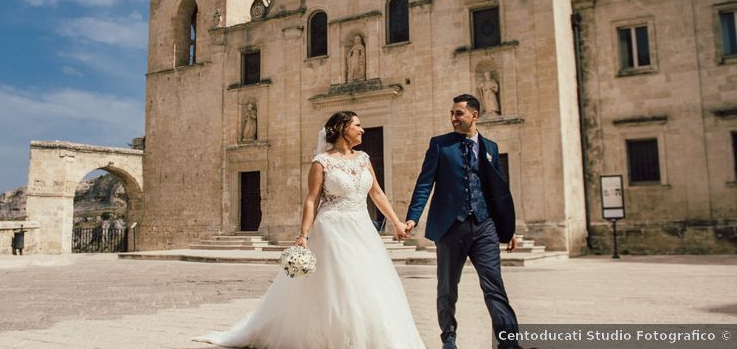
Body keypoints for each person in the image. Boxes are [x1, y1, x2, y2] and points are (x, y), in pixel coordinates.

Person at [196, 111, 426, 348]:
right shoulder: (322, 162)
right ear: (341, 128)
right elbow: (311, 200)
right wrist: (303, 235)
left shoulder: (364, 159)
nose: (362, 130)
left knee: (369, 283)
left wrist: (397, 222)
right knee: (342, 284)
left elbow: (376, 192)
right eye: (357, 125)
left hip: (362, 229)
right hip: (332, 229)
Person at [405, 94, 522, 349]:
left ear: (474, 115)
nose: (453, 118)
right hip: (450, 227)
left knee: (494, 285)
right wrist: (412, 218)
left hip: (484, 225)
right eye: (452, 113)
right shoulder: (439, 145)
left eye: (459, 113)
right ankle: (449, 339)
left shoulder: (490, 147)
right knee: (447, 288)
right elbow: (425, 183)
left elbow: (499, 191)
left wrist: (508, 228)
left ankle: (508, 343)